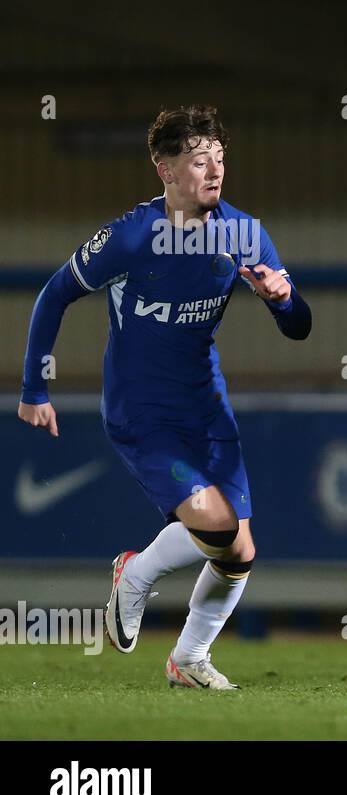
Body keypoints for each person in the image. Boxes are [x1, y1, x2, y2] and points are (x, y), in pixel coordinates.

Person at [17, 106, 312, 689]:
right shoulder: (130, 237)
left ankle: (187, 659)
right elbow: (53, 295)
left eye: (220, 159)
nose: (214, 170)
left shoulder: (245, 235)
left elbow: (300, 327)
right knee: (217, 524)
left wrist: (282, 299)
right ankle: (136, 573)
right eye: (199, 160)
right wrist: (34, 387)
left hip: (207, 408)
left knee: (239, 552)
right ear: (165, 170)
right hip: (141, 412)